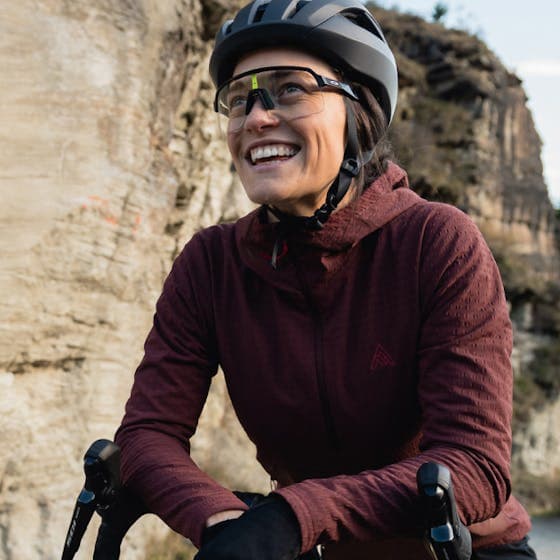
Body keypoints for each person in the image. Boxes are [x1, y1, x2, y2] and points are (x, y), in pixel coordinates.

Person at [114, 0, 536, 558]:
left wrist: (295, 516)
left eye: (291, 89)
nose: (257, 117)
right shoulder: (210, 264)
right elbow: (146, 436)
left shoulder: (438, 243)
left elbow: (476, 467)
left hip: (459, 550)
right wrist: (221, 521)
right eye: (240, 99)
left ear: (357, 111)